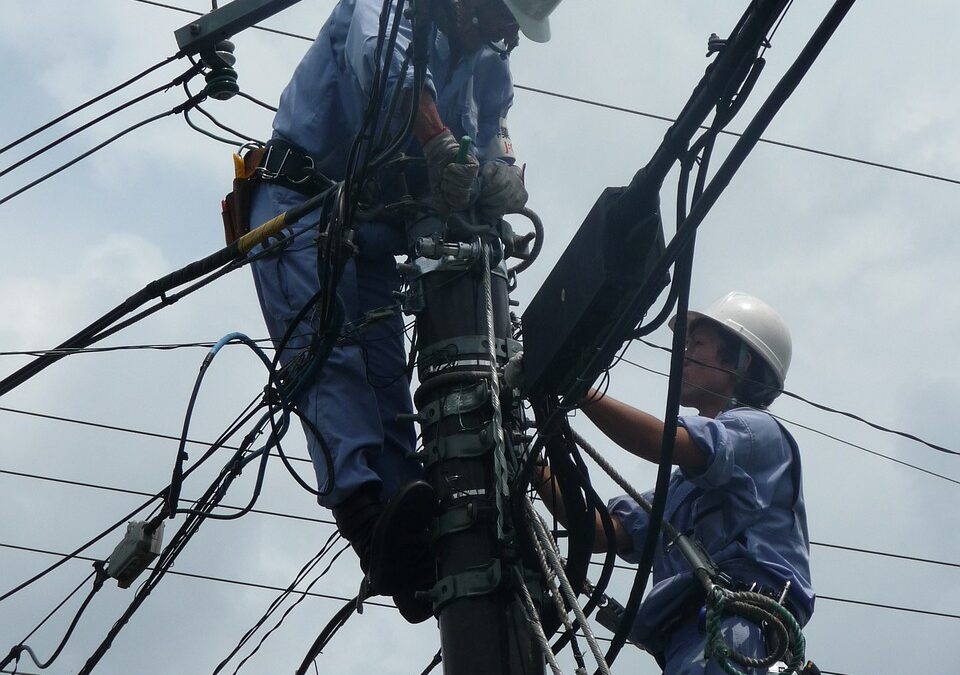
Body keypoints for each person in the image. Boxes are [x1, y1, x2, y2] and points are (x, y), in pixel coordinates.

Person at [246, 0, 563, 621]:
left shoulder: (488, 63)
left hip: (370, 234)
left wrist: (500, 177)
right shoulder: (387, 9)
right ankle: (367, 519)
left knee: (386, 373)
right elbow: (386, 76)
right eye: (503, 18)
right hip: (300, 205)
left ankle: (413, 537)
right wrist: (439, 144)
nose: (507, 35)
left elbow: (494, 133)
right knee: (327, 357)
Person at [537, 291, 814, 672]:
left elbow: (664, 442)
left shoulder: (757, 433)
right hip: (691, 643)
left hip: (740, 630)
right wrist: (529, 460)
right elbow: (602, 532)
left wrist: (579, 389)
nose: (683, 355)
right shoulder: (683, 489)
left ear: (741, 361)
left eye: (696, 344)